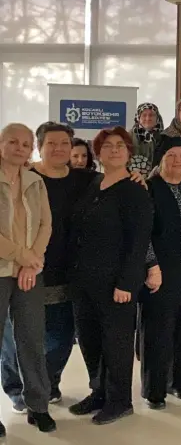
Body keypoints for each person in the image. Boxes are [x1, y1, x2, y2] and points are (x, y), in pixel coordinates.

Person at [1, 124, 95, 415]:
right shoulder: (29, 175)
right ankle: (16, 389)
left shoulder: (84, 179)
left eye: (64, 143)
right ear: (40, 148)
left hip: (64, 272)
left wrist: (139, 177)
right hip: (20, 270)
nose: (59, 148)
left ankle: (47, 384)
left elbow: (117, 181)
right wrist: (28, 260)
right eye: (51, 143)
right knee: (15, 337)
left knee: (60, 336)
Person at [68, 126, 153, 425]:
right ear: (98, 153)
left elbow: (139, 241)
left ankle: (120, 401)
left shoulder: (135, 190)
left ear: (129, 152)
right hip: (84, 280)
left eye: (120, 145)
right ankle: (99, 391)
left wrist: (127, 282)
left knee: (116, 342)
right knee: (89, 339)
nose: (114, 150)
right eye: (107, 146)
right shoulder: (93, 183)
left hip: (116, 282)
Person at [0, 123, 56, 435]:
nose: (20, 148)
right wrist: (22, 255)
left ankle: (38, 406)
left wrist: (32, 262)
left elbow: (46, 224)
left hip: (29, 273)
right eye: (13, 142)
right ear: (0, 144)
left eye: (25, 144)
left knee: (32, 339)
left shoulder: (35, 181)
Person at [140, 137, 181, 409]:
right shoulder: (149, 188)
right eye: (172, 155)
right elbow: (143, 233)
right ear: (161, 159)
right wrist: (151, 266)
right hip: (161, 273)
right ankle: (155, 391)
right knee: (159, 333)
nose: (179, 160)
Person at [129, 102, 166, 177]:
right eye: (144, 115)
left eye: (151, 115)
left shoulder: (164, 138)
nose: (148, 118)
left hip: (158, 179)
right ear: (138, 117)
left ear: (157, 118)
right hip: (132, 178)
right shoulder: (128, 137)